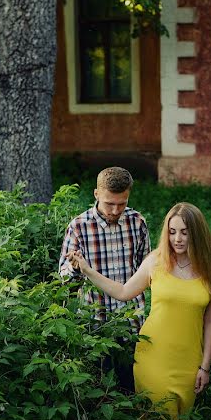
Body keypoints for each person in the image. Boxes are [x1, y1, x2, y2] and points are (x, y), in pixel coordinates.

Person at [68, 202, 211, 420]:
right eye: (172, 232)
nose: (177, 239)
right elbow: (124, 292)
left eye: (184, 232)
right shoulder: (156, 262)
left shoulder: (210, 271)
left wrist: (205, 366)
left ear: (196, 233)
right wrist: (87, 270)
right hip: (153, 359)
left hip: (188, 362)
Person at [59, 167, 151, 392]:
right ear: (96, 194)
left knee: (133, 388)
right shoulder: (79, 226)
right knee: (101, 391)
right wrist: (74, 268)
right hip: (96, 325)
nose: (115, 210)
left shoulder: (137, 222)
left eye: (122, 203)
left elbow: (147, 271)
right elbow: (63, 278)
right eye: (110, 203)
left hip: (133, 323)